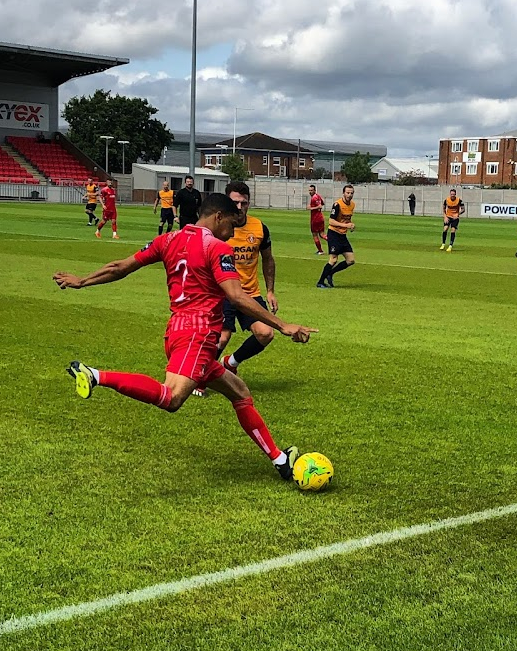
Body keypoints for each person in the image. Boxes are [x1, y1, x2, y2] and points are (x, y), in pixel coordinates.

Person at [53, 193, 318, 482]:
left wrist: (82, 281)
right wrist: (282, 325)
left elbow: (120, 266)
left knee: (239, 392)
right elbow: (236, 296)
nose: (232, 232)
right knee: (172, 398)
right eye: (231, 223)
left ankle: (280, 460)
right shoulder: (216, 248)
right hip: (199, 334)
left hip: (176, 330)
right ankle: (94, 375)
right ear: (218, 217)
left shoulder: (167, 240)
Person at [217, 181, 278, 374]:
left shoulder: (259, 228)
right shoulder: (218, 228)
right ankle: (200, 375)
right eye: (235, 202)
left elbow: (268, 259)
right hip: (223, 292)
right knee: (222, 337)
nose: (239, 207)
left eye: (244, 203)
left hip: (249, 293)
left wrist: (270, 291)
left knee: (266, 333)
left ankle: (230, 363)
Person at [316, 184, 356, 288]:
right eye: (347, 192)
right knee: (333, 259)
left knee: (350, 260)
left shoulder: (352, 205)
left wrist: (350, 225)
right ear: (343, 193)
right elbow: (331, 221)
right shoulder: (337, 204)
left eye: (351, 193)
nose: (349, 195)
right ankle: (320, 282)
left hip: (342, 235)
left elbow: (346, 219)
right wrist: (345, 225)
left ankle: (330, 273)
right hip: (334, 234)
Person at [308, 183, 326, 255]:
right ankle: (335, 244)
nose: (310, 192)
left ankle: (320, 251)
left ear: (315, 190)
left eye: (311, 190)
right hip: (321, 217)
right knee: (322, 235)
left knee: (315, 235)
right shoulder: (318, 196)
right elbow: (322, 203)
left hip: (315, 218)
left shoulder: (314, 198)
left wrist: (310, 208)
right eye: (309, 190)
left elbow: (320, 206)